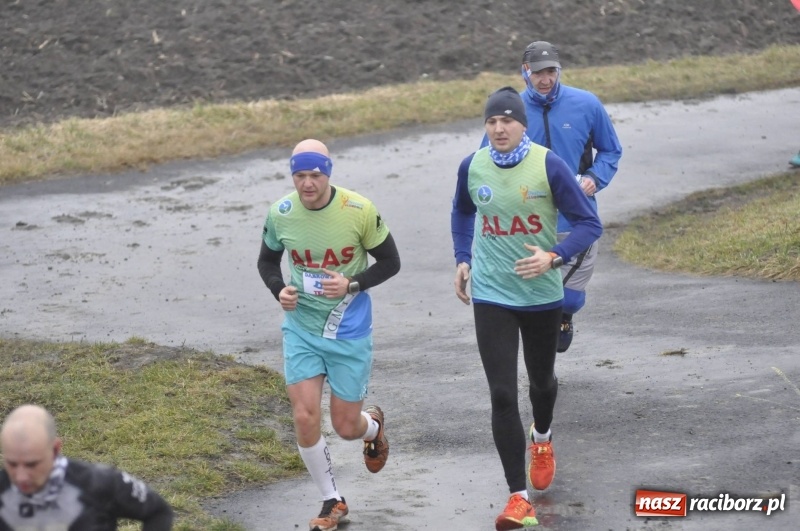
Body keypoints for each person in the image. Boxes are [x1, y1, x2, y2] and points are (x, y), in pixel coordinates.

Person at [452, 87, 602, 530]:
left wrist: (553, 257)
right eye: (491, 122)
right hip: (492, 295)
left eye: (507, 121)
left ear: (522, 125)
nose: (499, 129)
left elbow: (589, 223)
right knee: (501, 393)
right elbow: (461, 212)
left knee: (542, 384)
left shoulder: (548, 164)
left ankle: (543, 435)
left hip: (540, 297)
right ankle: (518, 498)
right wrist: (463, 258)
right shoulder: (472, 165)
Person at [257, 138, 401, 531]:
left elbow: (391, 262)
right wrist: (279, 289)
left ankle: (372, 426)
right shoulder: (281, 213)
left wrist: (352, 284)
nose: (307, 183)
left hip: (348, 330)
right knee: (304, 416)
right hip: (301, 328)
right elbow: (268, 260)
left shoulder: (358, 210)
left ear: (328, 172)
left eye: (315, 175)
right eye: (299, 175)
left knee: (344, 426)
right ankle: (332, 500)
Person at [482, 41, 622, 353]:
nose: (545, 79)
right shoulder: (511, 111)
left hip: (575, 217)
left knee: (567, 298)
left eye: (551, 72)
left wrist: (594, 178)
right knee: (535, 297)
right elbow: (486, 160)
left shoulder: (586, 104)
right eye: (537, 73)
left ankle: (565, 315)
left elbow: (611, 150)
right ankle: (541, 367)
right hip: (527, 220)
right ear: (524, 72)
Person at [0, 404, 174, 531]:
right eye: (12, 464)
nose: (21, 476)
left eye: (32, 464)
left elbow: (158, 511)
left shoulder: (99, 483)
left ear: (55, 449)